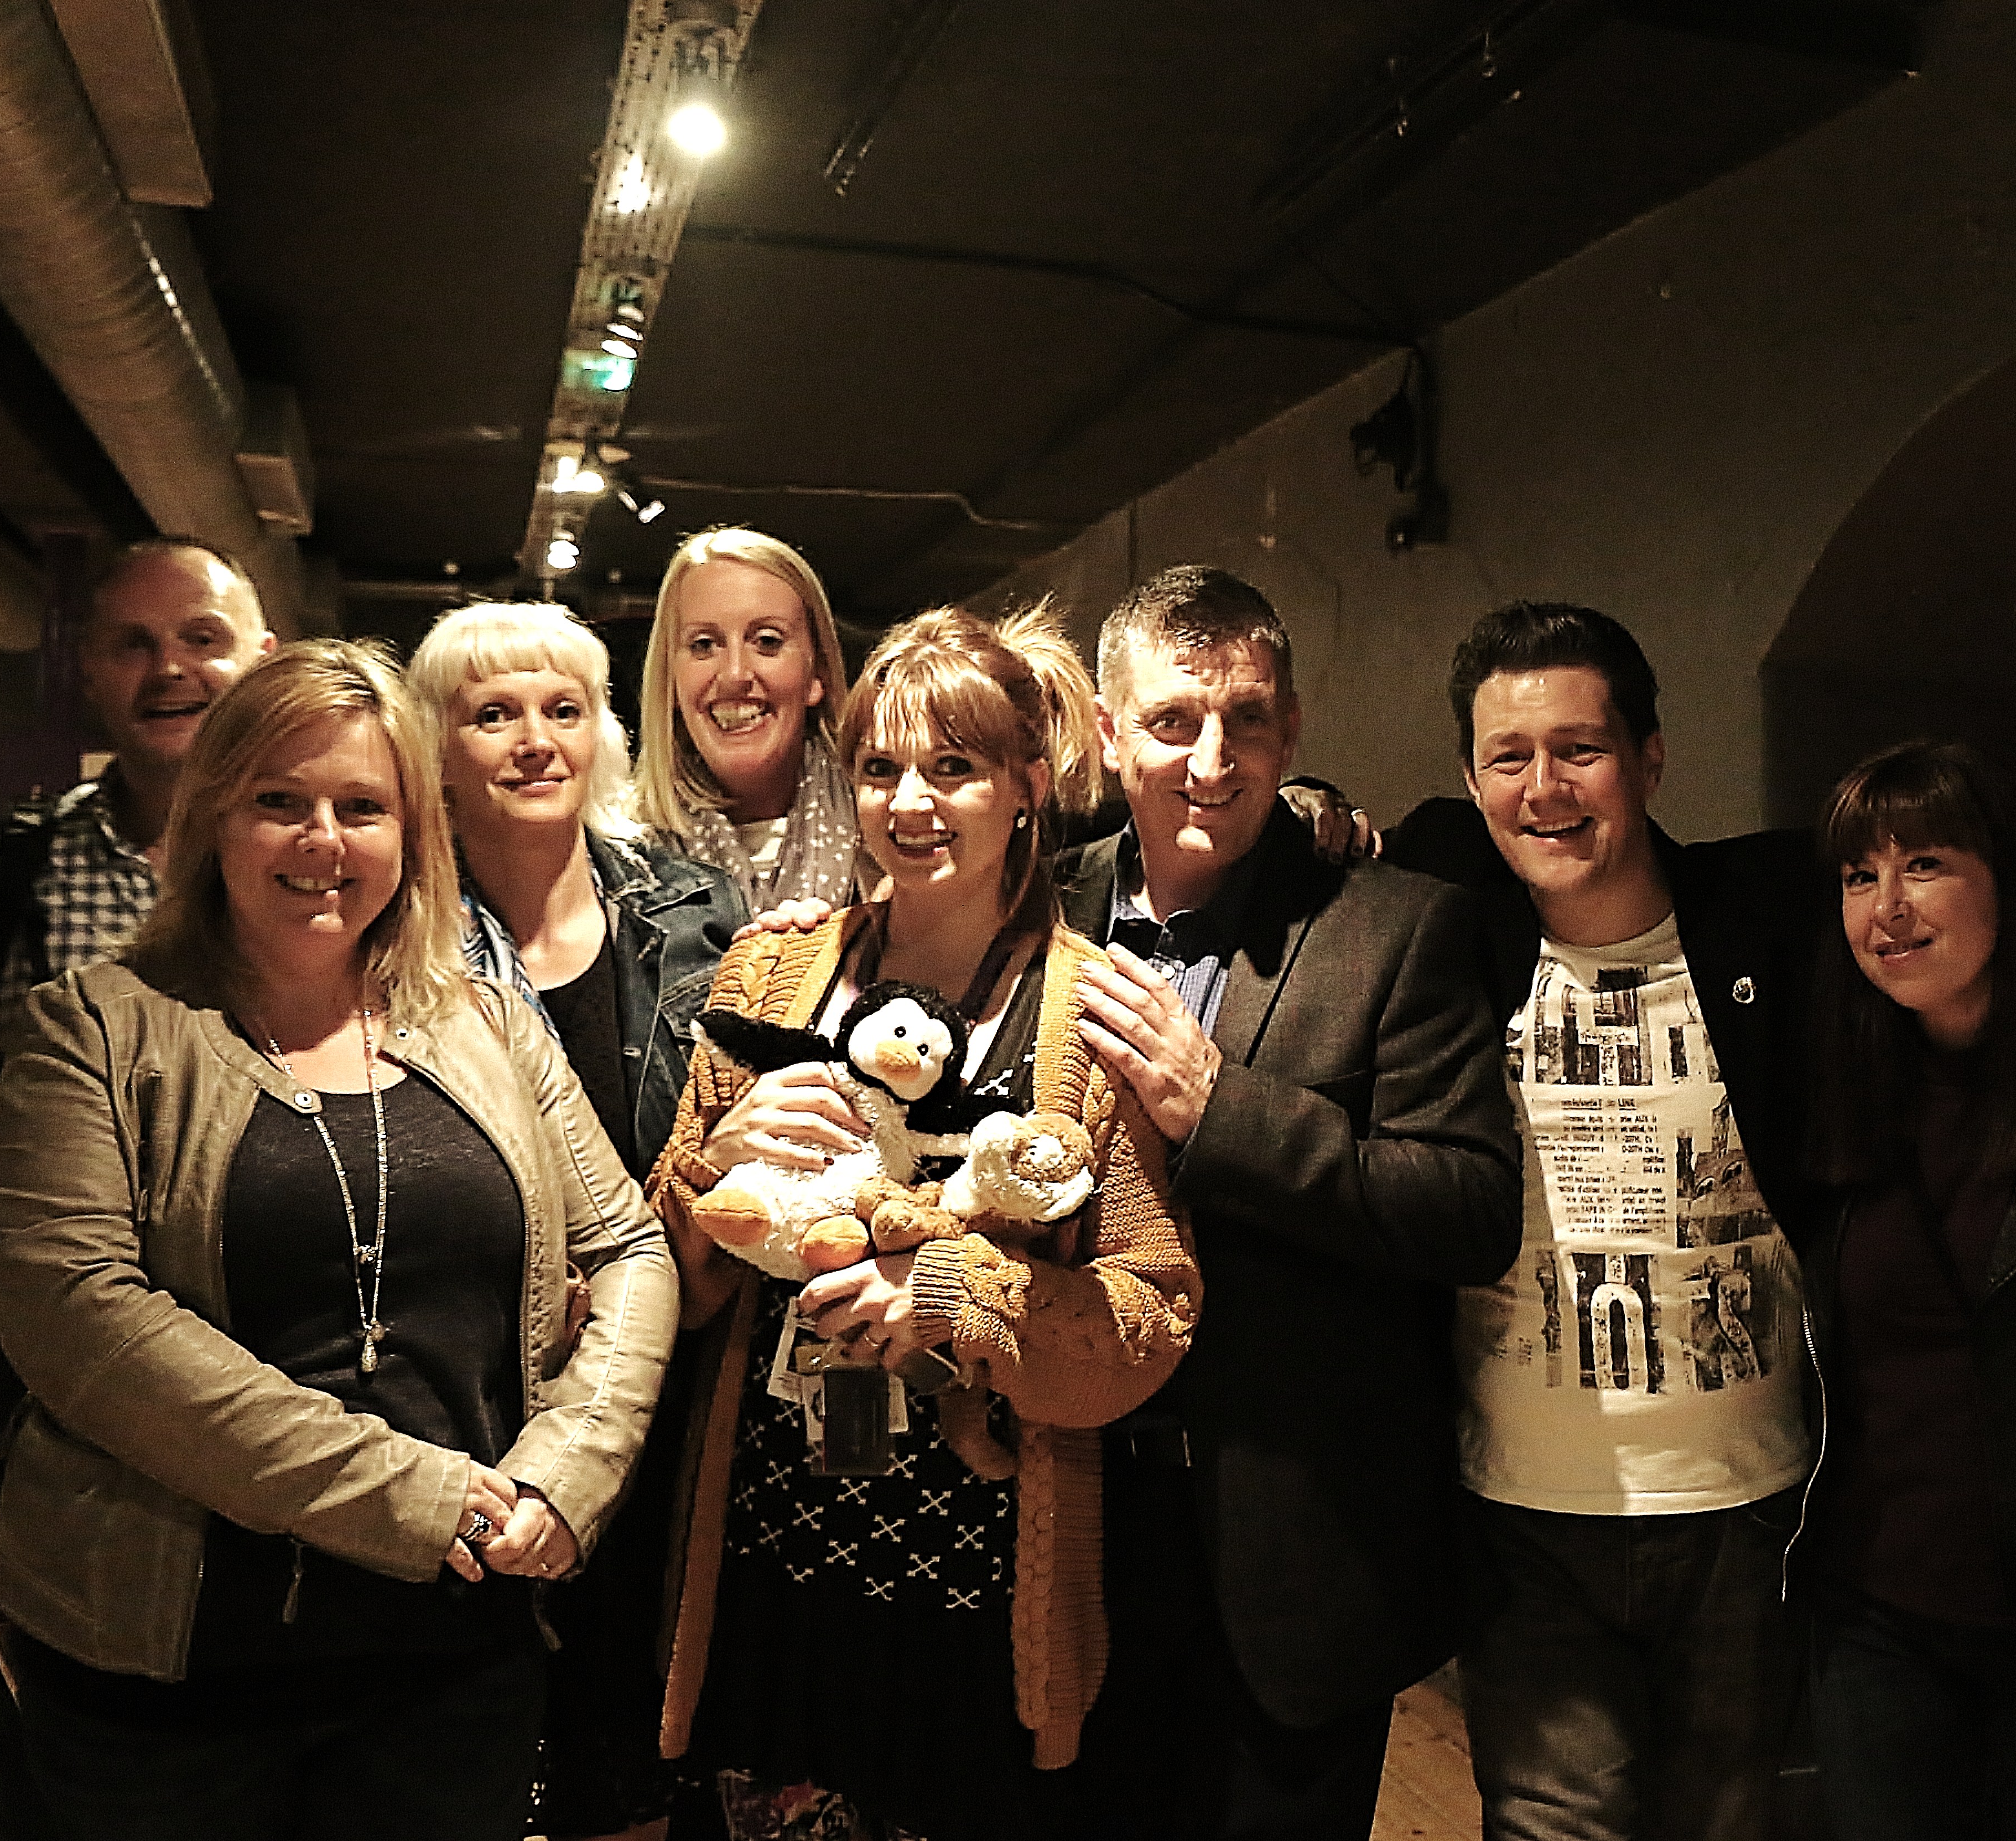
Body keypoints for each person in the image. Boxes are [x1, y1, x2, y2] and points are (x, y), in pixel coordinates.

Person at [0, 640, 677, 1841]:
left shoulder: (487, 1022)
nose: (323, 841)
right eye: (279, 801)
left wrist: (570, 1474)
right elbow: (83, 1321)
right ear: (214, 817)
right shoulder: (94, 1030)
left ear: (412, 833)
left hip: (454, 1655)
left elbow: (627, 1250)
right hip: (167, 1676)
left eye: (363, 807)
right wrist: (416, 1497)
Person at [643, 603, 1199, 1840]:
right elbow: (660, 1276)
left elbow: (1153, 1313)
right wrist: (714, 1172)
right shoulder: (770, 973)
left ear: (1026, 786)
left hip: (975, 1583)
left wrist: (954, 1297)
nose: (910, 802)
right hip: (770, 1551)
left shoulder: (1089, 1016)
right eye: (881, 766)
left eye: (953, 767)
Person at [1059, 566, 1523, 1841]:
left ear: (1291, 727)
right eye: (1172, 721)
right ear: (1108, 732)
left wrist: (1222, 1109)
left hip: (1299, 1553)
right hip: (1067, 1530)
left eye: (1246, 719)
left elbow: (1469, 1207)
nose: (1212, 761)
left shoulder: (1397, 926)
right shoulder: (1031, 911)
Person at [1384, 601, 1827, 1841]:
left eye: (1579, 748)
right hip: (1521, 1509)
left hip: (1747, 1502)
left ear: (1649, 757)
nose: (1545, 788)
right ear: (1472, 778)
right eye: (1508, 757)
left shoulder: (1765, 923)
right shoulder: (1448, 945)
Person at [0, 534, 274, 1841]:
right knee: (40, 1750)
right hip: (45, 1398)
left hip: (276, 1373)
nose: (171, 669)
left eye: (201, 637)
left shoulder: (317, 857)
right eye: (133, 643)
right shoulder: (16, 860)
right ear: (89, 672)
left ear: (261, 658)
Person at [406, 600, 746, 1841]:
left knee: (633, 1741)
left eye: (564, 708)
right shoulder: (394, 925)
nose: (535, 739)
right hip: (466, 1397)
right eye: (492, 714)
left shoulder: (700, 910)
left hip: (665, 1375)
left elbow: (734, 1133)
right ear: (434, 746)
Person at [1799, 740, 2016, 1841]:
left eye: (1924, 864)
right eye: (1859, 876)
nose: (1887, 907)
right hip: (1875, 1608)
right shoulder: (1837, 1087)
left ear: (2007, 875)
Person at [630, 527, 862, 911]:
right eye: (704, 645)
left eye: (767, 641)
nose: (735, 674)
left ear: (817, 674)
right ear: (670, 680)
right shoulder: (617, 858)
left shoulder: (891, 838)